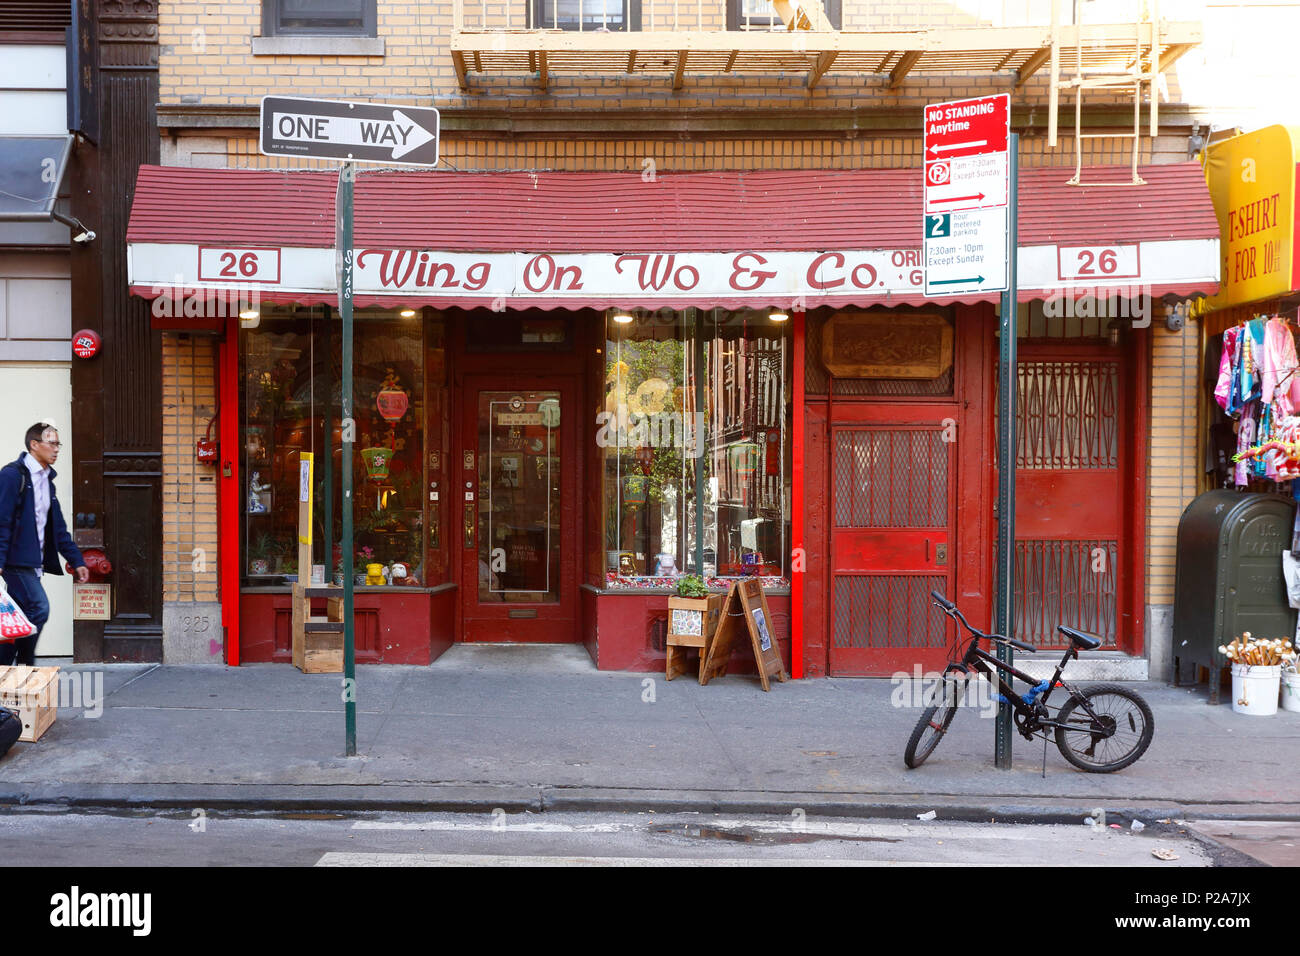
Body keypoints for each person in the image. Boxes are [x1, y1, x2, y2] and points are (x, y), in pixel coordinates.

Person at [0, 422, 88, 666]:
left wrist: (76, 560)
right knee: (39, 608)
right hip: (15, 562)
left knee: (15, 622)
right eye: (52, 443)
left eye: (58, 443)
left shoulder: (47, 482)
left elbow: (58, 529)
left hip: (32, 564)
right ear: (34, 445)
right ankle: (26, 665)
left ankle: (6, 673)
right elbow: (1, 520)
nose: (57, 449)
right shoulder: (12, 476)